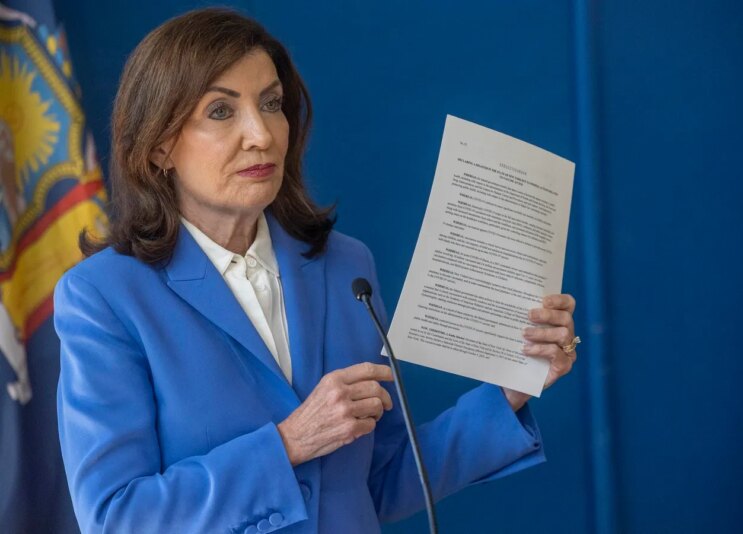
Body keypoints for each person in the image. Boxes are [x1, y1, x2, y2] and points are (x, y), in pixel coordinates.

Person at [55, 8, 580, 534]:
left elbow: (379, 480)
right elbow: (116, 516)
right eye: (221, 111)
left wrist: (510, 389)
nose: (261, 134)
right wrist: (289, 443)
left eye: (271, 104)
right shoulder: (103, 296)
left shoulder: (347, 267)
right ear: (159, 147)